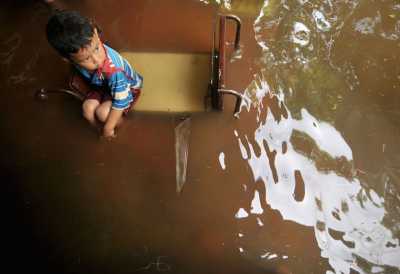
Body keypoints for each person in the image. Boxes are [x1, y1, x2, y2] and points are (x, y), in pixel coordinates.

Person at [46, 10, 143, 138]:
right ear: (67, 59)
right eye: (86, 59)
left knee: (103, 113)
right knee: (87, 109)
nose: (97, 60)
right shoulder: (76, 55)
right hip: (101, 85)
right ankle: (97, 130)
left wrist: (108, 128)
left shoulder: (115, 71)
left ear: (95, 31)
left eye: (97, 48)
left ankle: (117, 126)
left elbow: (121, 102)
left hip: (127, 90)